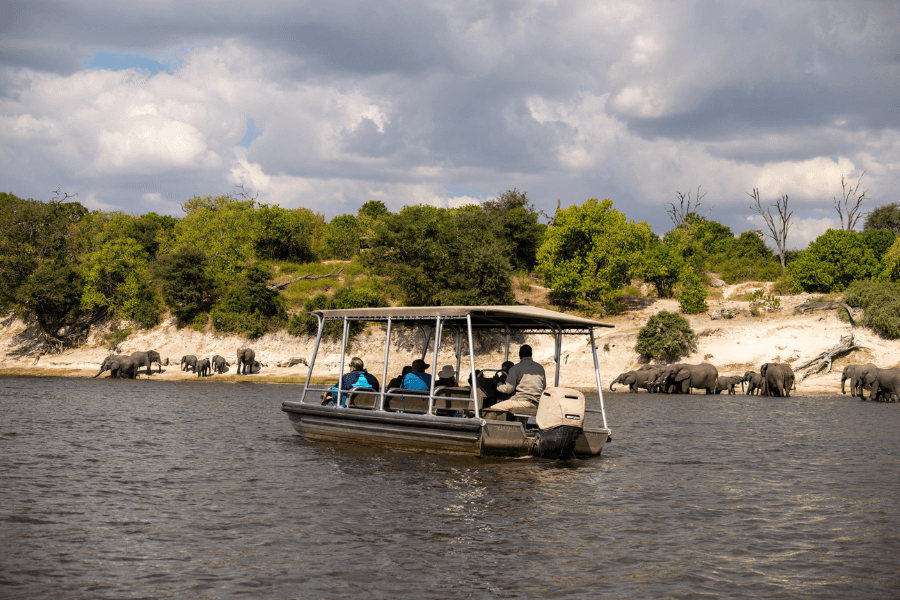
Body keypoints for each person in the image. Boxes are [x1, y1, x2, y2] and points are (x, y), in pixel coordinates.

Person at [485, 345, 546, 420]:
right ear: (531, 354)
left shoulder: (516, 368)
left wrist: (497, 383)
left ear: (519, 354)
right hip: (536, 404)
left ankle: (482, 429)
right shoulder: (540, 368)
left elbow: (508, 389)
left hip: (522, 402)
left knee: (491, 409)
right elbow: (543, 386)